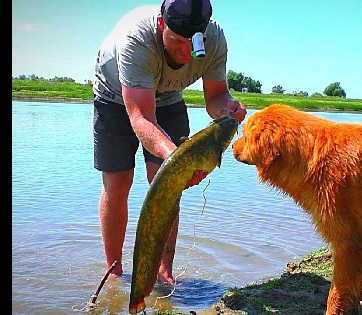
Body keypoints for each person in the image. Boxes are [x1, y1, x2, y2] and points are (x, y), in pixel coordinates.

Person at [92, 0, 246, 284]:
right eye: (176, 41)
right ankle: (113, 269)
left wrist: (228, 108)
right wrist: (178, 159)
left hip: (170, 96)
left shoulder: (215, 39)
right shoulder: (136, 39)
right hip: (116, 95)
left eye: (193, 43)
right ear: (161, 25)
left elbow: (215, 97)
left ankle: (164, 271)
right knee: (118, 182)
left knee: (168, 184)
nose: (185, 52)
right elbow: (140, 116)